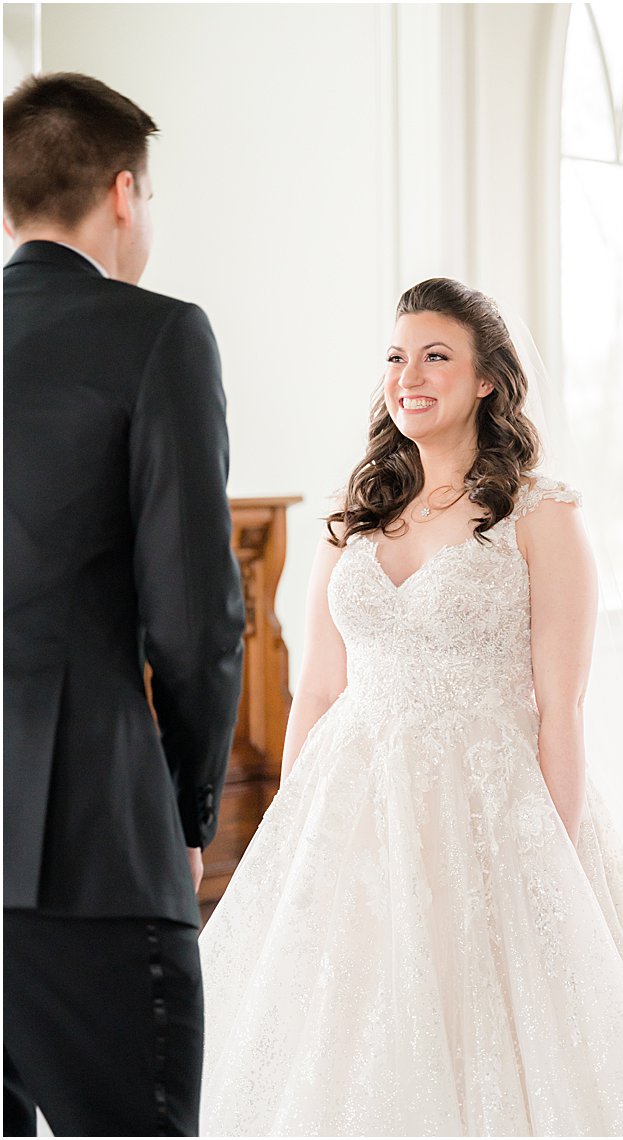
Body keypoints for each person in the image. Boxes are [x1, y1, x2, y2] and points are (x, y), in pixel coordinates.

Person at [198, 278, 623, 1135]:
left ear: (486, 379)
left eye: (435, 356)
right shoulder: (352, 524)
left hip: (493, 808)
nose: (408, 375)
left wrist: (554, 865)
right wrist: (290, 839)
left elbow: (561, 704)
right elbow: (315, 689)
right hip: (354, 806)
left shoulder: (540, 516)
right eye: (395, 356)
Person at [3, 73, 245, 1136]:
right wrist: (189, 810)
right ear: (123, 193)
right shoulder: (157, 336)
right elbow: (198, 620)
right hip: (87, 849)